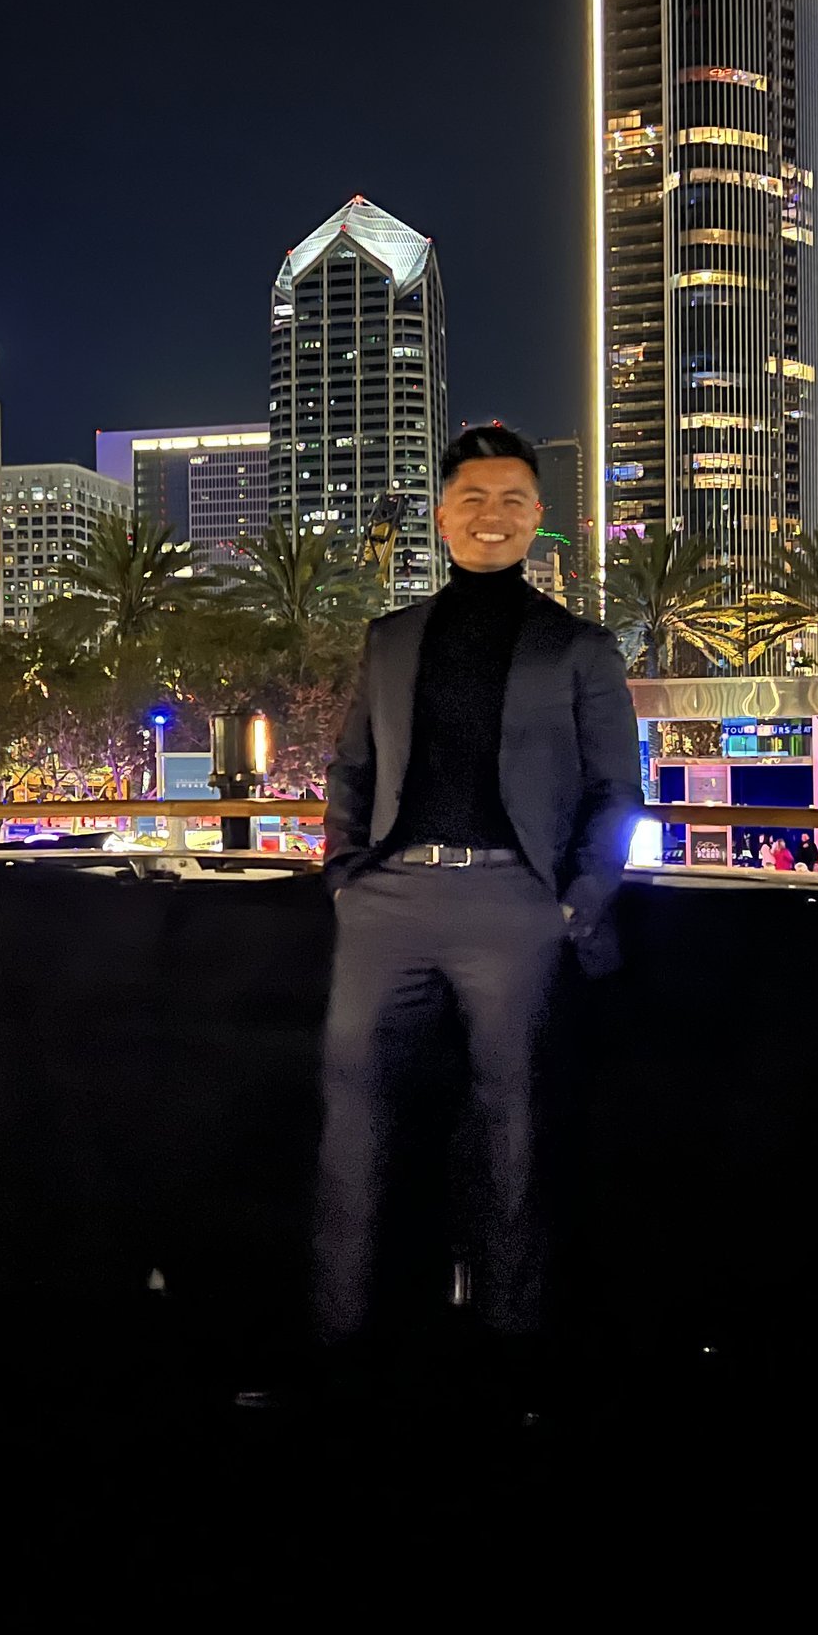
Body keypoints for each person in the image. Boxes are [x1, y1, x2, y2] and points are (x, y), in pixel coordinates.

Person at [315, 425, 641, 1387]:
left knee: (517, 1126)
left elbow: (617, 790)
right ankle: (343, 1334)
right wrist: (344, 873)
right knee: (354, 1123)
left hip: (517, 903)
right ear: (442, 513)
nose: (490, 516)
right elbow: (351, 768)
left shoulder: (579, 647)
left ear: (539, 518)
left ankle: (518, 1344)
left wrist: (575, 903)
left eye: (511, 500)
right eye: (472, 498)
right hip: (388, 900)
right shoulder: (391, 639)